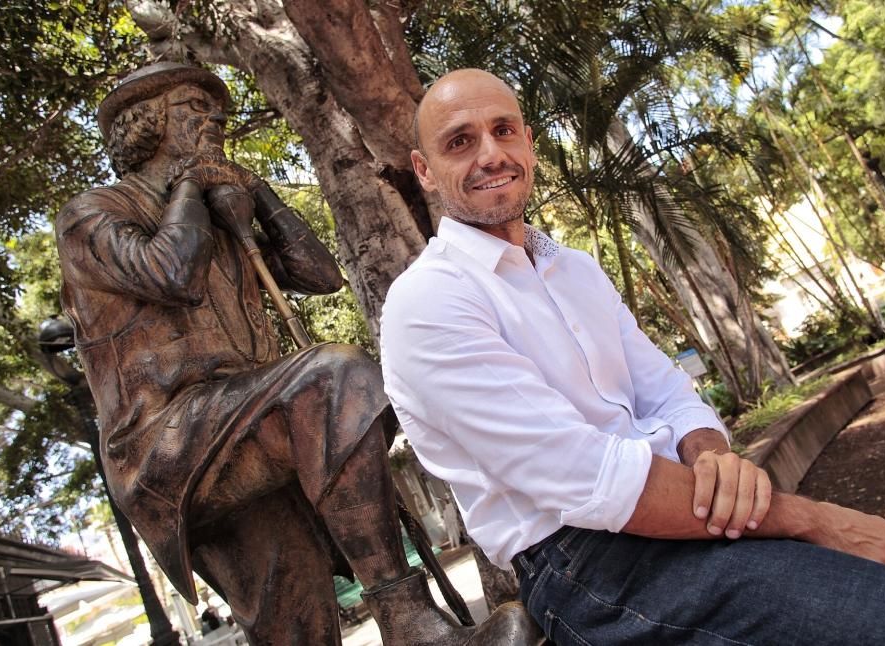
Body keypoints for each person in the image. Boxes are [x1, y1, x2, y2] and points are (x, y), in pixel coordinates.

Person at [379, 68, 885, 645]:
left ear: (529, 143)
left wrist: (715, 459)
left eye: (503, 130)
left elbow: (667, 393)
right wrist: (810, 517)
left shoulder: (574, 268)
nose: (491, 154)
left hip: (682, 508)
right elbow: (591, 478)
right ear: (425, 170)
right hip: (591, 565)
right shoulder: (429, 300)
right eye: (460, 141)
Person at [56, 62, 536, 646]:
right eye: (192, 110)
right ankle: (407, 619)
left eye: (217, 114)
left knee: (294, 627)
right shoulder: (92, 215)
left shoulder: (214, 216)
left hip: (251, 423)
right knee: (335, 377)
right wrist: (191, 182)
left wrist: (255, 191)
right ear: (144, 125)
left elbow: (319, 274)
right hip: (169, 443)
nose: (212, 124)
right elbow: (172, 272)